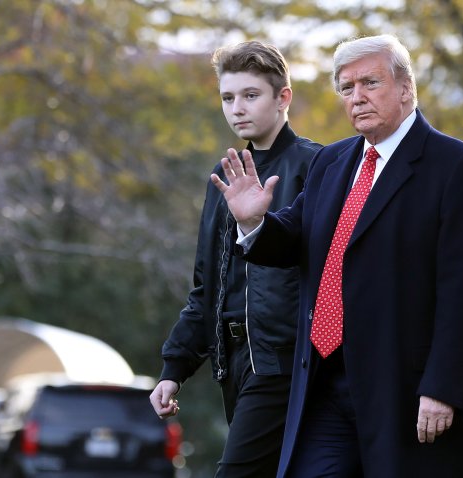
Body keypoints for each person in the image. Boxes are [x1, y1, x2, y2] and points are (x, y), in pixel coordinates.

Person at [211, 34, 463, 478]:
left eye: (370, 83)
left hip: (407, 389)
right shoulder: (333, 161)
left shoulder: (457, 166)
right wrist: (253, 223)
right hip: (325, 384)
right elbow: (292, 238)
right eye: (347, 88)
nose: (357, 97)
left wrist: (444, 387)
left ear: (406, 88)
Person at [149, 40, 321, 477]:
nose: (237, 108)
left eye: (251, 95)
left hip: (285, 362)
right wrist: (175, 368)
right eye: (228, 97)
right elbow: (207, 286)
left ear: (283, 97)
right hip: (235, 363)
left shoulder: (316, 166)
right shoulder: (221, 178)